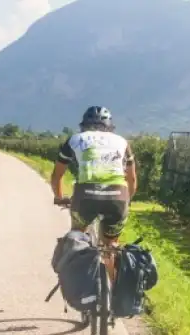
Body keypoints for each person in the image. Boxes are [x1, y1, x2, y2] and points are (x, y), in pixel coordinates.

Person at [50, 106, 137, 283]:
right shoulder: (122, 142)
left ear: (84, 125)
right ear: (110, 125)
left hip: (85, 197)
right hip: (117, 196)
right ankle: (115, 294)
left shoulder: (75, 139)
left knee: (78, 236)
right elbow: (132, 179)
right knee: (112, 245)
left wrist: (59, 197)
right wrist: (127, 200)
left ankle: (80, 283)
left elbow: (57, 175)